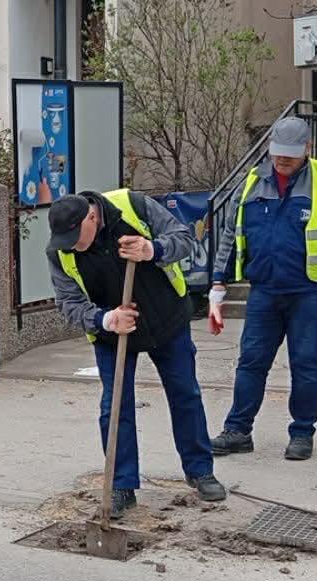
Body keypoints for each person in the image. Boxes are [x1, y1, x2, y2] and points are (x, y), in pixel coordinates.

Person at [47, 189, 228, 518]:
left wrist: (152, 249)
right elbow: (69, 301)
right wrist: (106, 319)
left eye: (75, 237)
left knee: (185, 394)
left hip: (166, 318)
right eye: (65, 240)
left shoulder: (132, 206)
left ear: (92, 217)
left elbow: (184, 238)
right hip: (113, 332)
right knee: (115, 406)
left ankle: (200, 470)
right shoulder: (60, 250)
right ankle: (121, 484)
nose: (71, 246)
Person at [207, 118, 317, 462]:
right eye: (277, 152)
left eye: (291, 154)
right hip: (265, 289)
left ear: (307, 149)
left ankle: (302, 433)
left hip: (311, 291)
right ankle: (238, 431)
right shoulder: (251, 184)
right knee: (251, 361)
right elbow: (230, 235)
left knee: (305, 361)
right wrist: (217, 285)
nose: (282, 160)